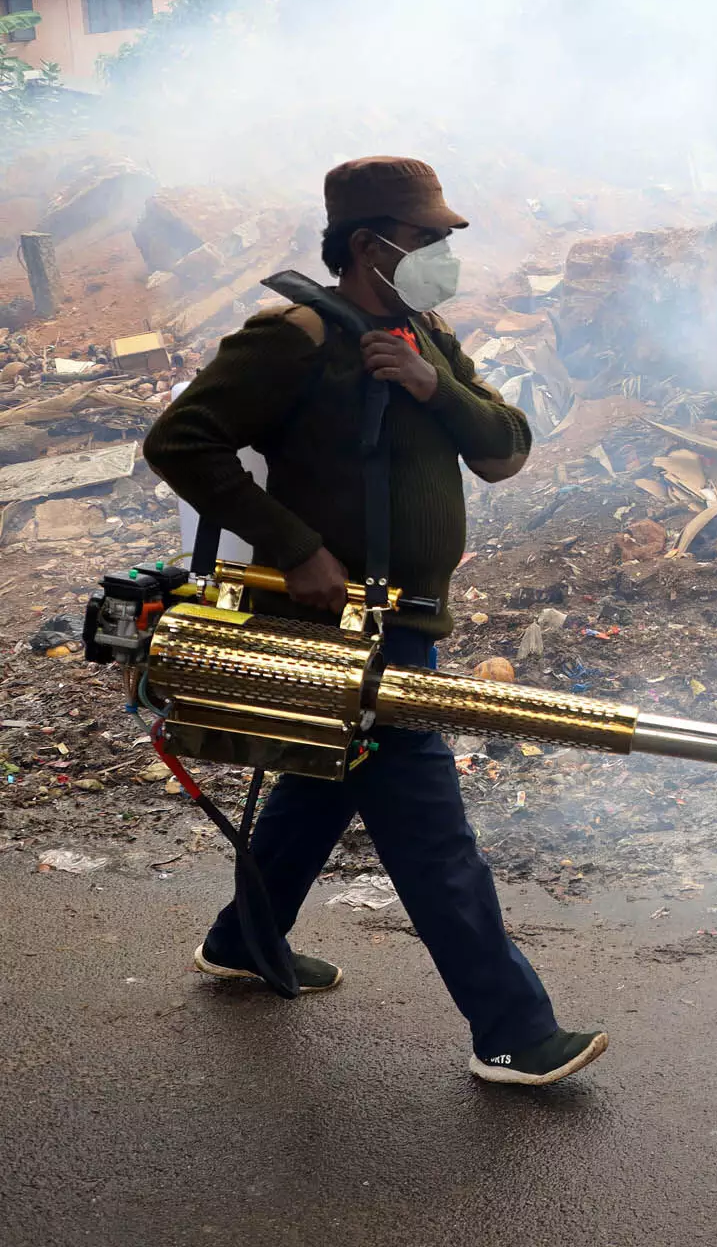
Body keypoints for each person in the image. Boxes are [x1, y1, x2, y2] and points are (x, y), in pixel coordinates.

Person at [143, 157, 606, 1087]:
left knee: (319, 785)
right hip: (340, 624)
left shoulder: (424, 332)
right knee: (430, 833)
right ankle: (513, 1031)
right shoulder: (297, 338)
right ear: (369, 244)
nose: (444, 254)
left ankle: (243, 942)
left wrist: (433, 387)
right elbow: (180, 442)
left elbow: (507, 450)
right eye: (427, 238)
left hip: (407, 619)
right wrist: (296, 547)